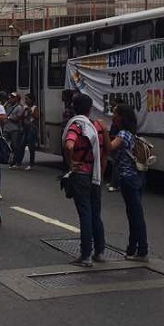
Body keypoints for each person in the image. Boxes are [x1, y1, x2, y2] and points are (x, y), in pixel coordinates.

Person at [62, 93, 108, 267]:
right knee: (96, 213)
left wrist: (71, 161)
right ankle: (100, 251)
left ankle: (85, 255)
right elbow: (107, 150)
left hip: (81, 173)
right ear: (90, 109)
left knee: (85, 214)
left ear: (74, 108)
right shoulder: (98, 126)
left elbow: (69, 145)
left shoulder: (77, 125)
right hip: (96, 174)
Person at [107, 104, 148, 261]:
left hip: (128, 178)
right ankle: (132, 249)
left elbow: (110, 147)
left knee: (136, 215)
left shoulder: (123, 134)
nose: (113, 116)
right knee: (133, 213)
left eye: (115, 113)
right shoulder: (132, 133)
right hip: (137, 177)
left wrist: (103, 132)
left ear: (121, 117)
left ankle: (142, 249)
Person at [4, 92, 25, 169]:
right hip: (7, 128)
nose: (10, 99)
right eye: (10, 97)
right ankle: (7, 158)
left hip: (15, 129)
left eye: (13, 97)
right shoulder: (8, 106)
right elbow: (3, 112)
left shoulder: (19, 107)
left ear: (17, 99)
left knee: (15, 146)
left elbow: (18, 118)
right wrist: (6, 103)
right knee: (4, 142)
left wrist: (9, 118)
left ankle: (16, 161)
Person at [19, 93, 39, 170]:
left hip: (32, 128)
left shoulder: (34, 107)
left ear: (31, 100)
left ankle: (31, 163)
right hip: (25, 128)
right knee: (22, 144)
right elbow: (21, 117)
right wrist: (24, 111)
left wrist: (30, 111)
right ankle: (18, 162)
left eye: (27, 99)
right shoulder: (24, 107)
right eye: (25, 99)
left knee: (31, 146)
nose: (26, 100)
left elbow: (36, 116)